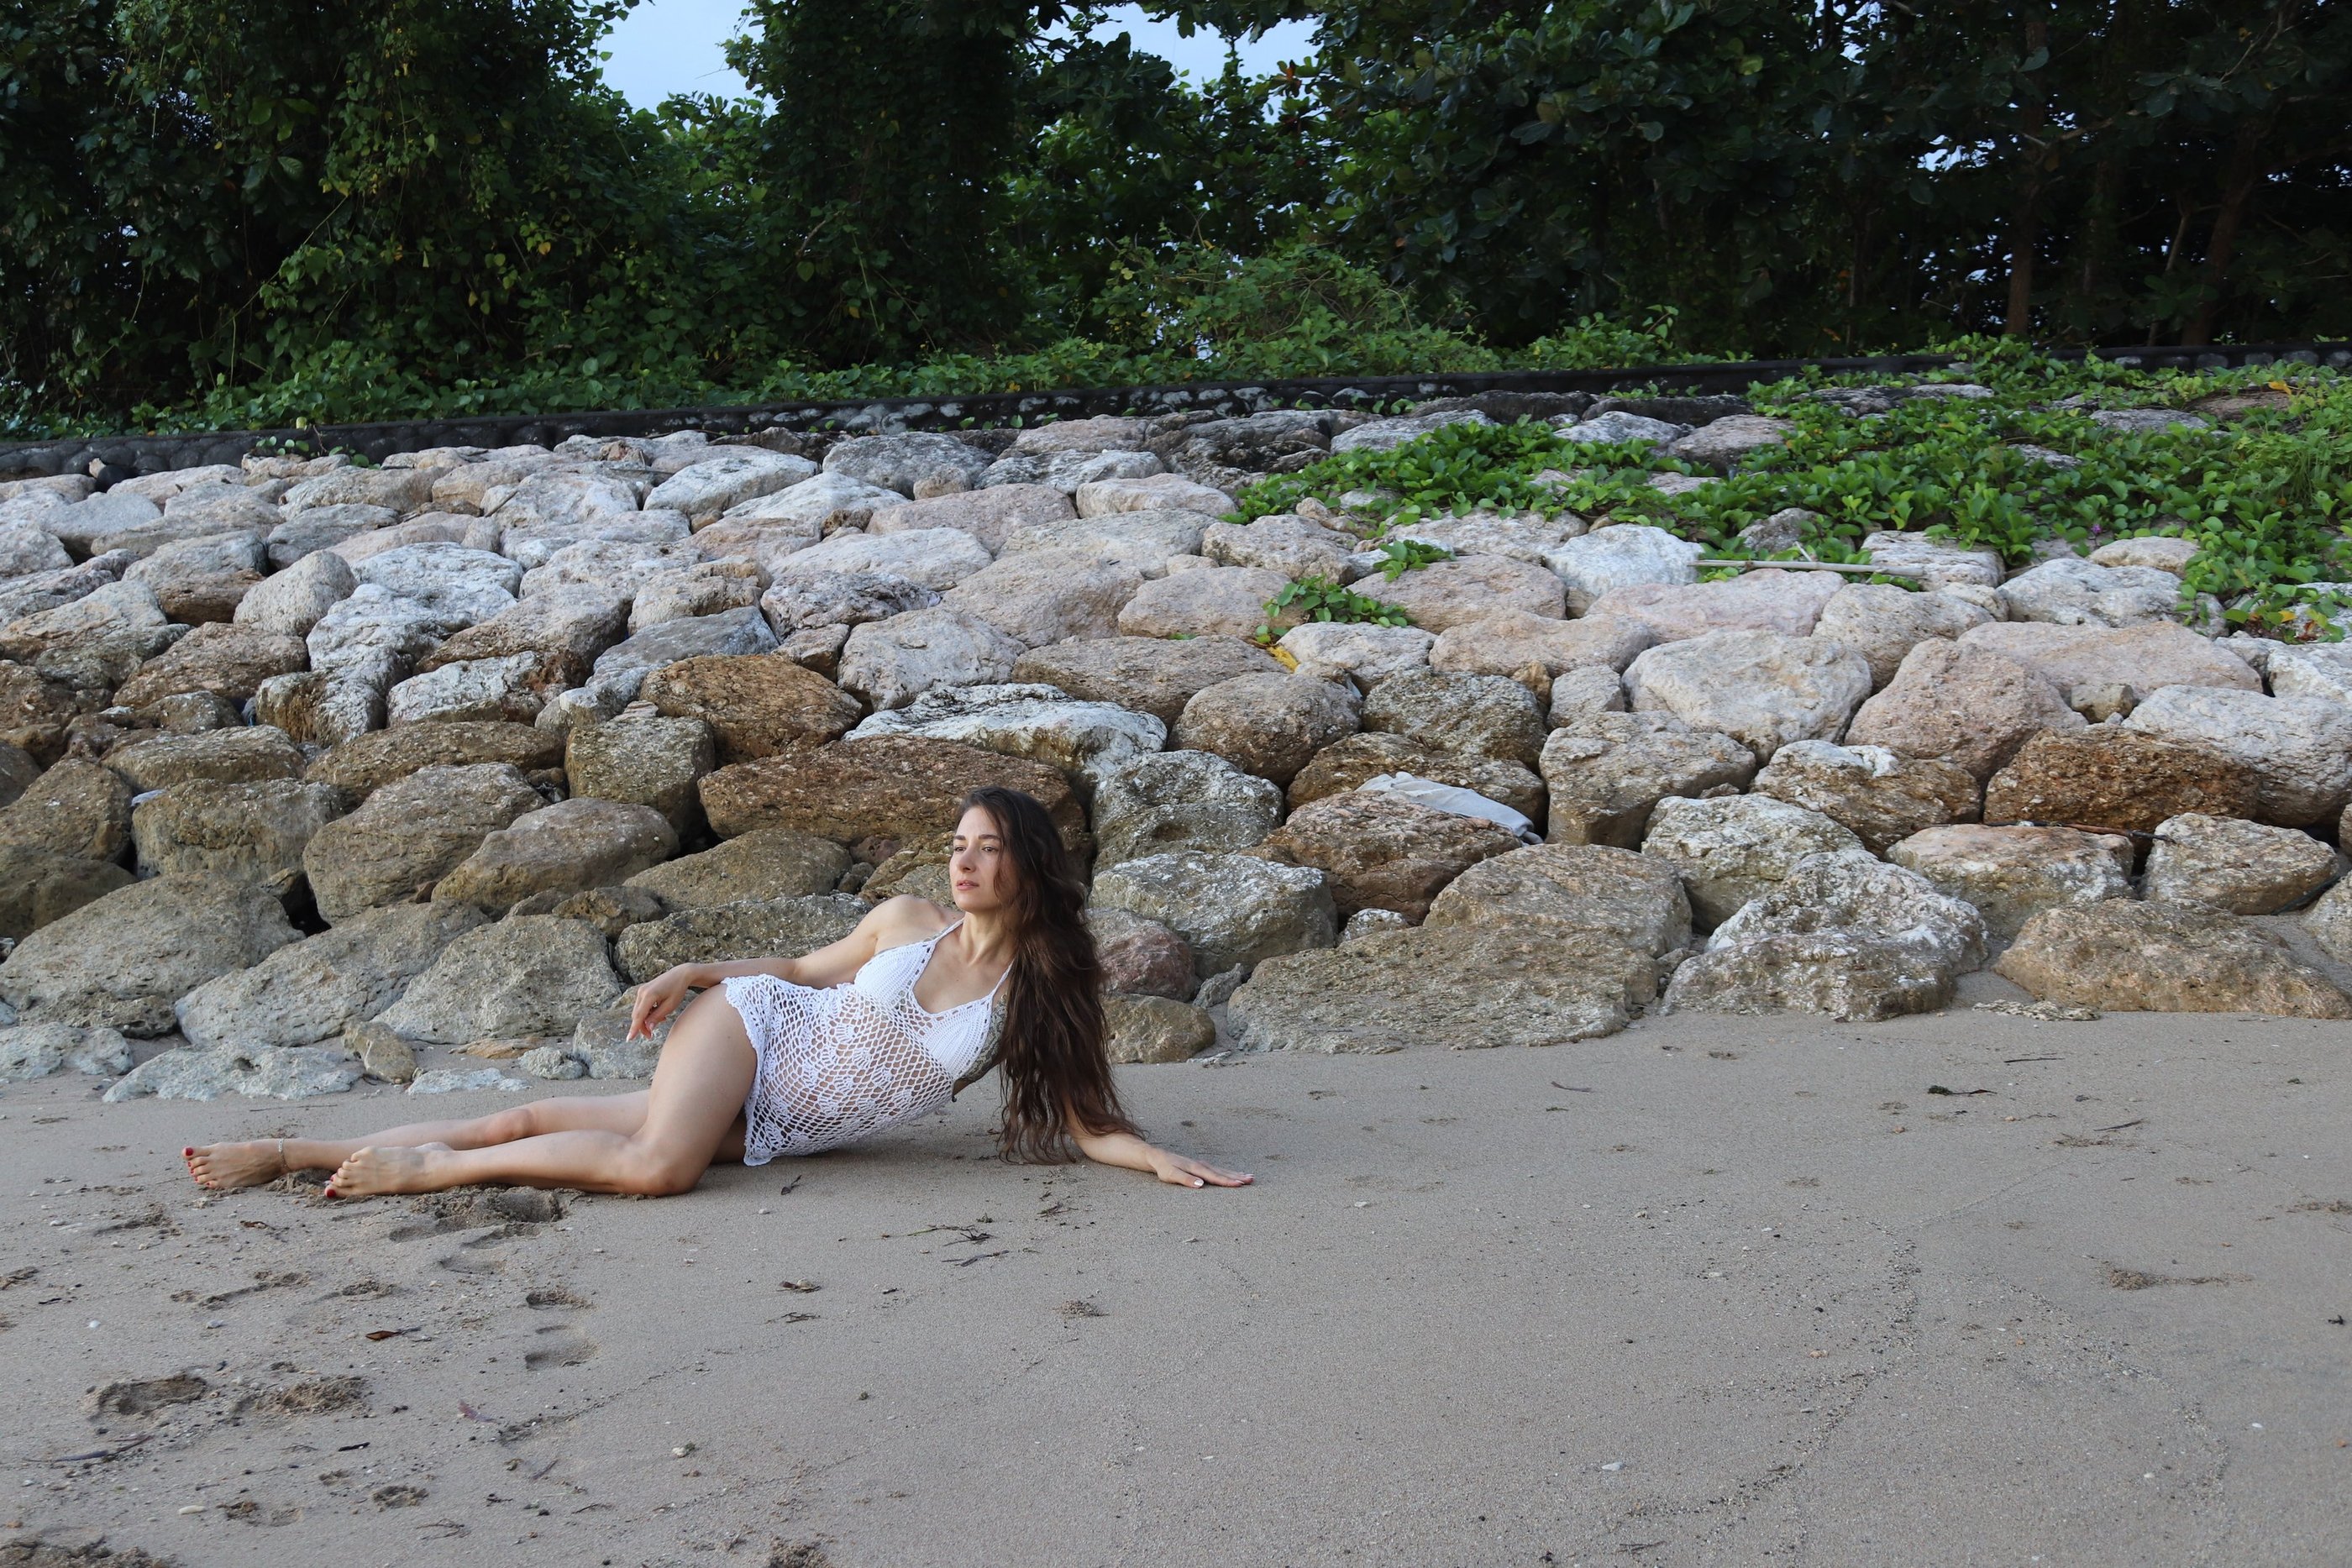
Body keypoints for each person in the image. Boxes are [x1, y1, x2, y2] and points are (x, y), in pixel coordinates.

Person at [182, 787, 1250, 1198]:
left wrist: (1154, 1155)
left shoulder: (1035, 994)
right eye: (957, 844)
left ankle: (290, 1151)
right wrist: (699, 972)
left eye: (987, 847)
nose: (963, 861)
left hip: (784, 1119)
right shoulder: (903, 920)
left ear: (1030, 863)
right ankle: (429, 1169)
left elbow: (1085, 1123)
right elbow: (796, 974)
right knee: (658, 1167)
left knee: (527, 1115)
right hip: (752, 1031)